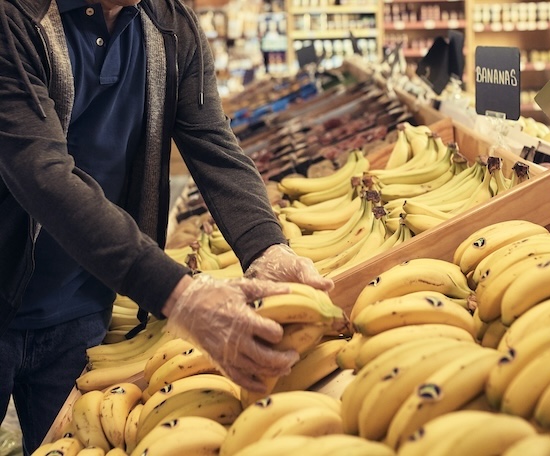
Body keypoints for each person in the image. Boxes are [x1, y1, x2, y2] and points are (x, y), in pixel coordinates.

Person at [0, 0, 334, 452]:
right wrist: (180, 294)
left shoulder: (170, 25)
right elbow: (40, 172)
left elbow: (212, 142)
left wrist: (266, 247)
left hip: (81, 309)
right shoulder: (15, 18)